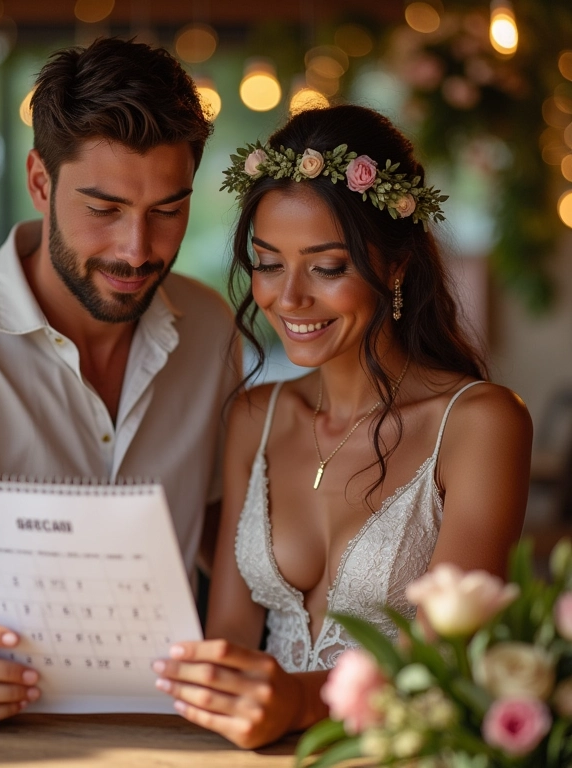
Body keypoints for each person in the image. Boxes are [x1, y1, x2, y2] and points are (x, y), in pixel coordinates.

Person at [0, 37, 241, 730]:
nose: (137, 248)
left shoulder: (212, 328)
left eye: (168, 211)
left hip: (177, 729)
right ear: (39, 182)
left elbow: (230, 533)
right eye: (104, 208)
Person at [152, 104, 533, 748]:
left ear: (397, 265)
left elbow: (448, 669)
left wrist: (298, 702)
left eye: (326, 267)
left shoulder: (480, 425)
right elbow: (232, 639)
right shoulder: (255, 416)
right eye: (268, 263)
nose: (288, 298)